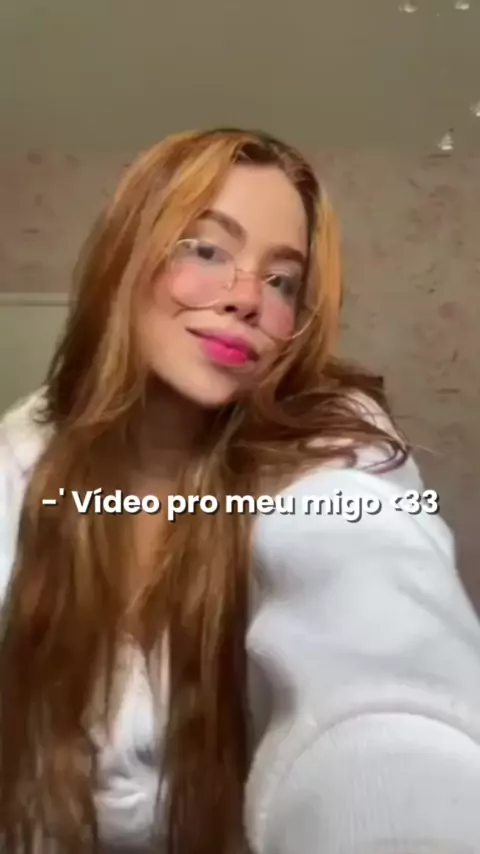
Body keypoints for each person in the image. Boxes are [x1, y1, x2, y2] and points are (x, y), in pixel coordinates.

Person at [0, 127, 480, 854]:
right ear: (125, 256)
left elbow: (380, 634)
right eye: (206, 249)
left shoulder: (329, 443)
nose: (249, 298)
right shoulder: (26, 454)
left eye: (282, 281)